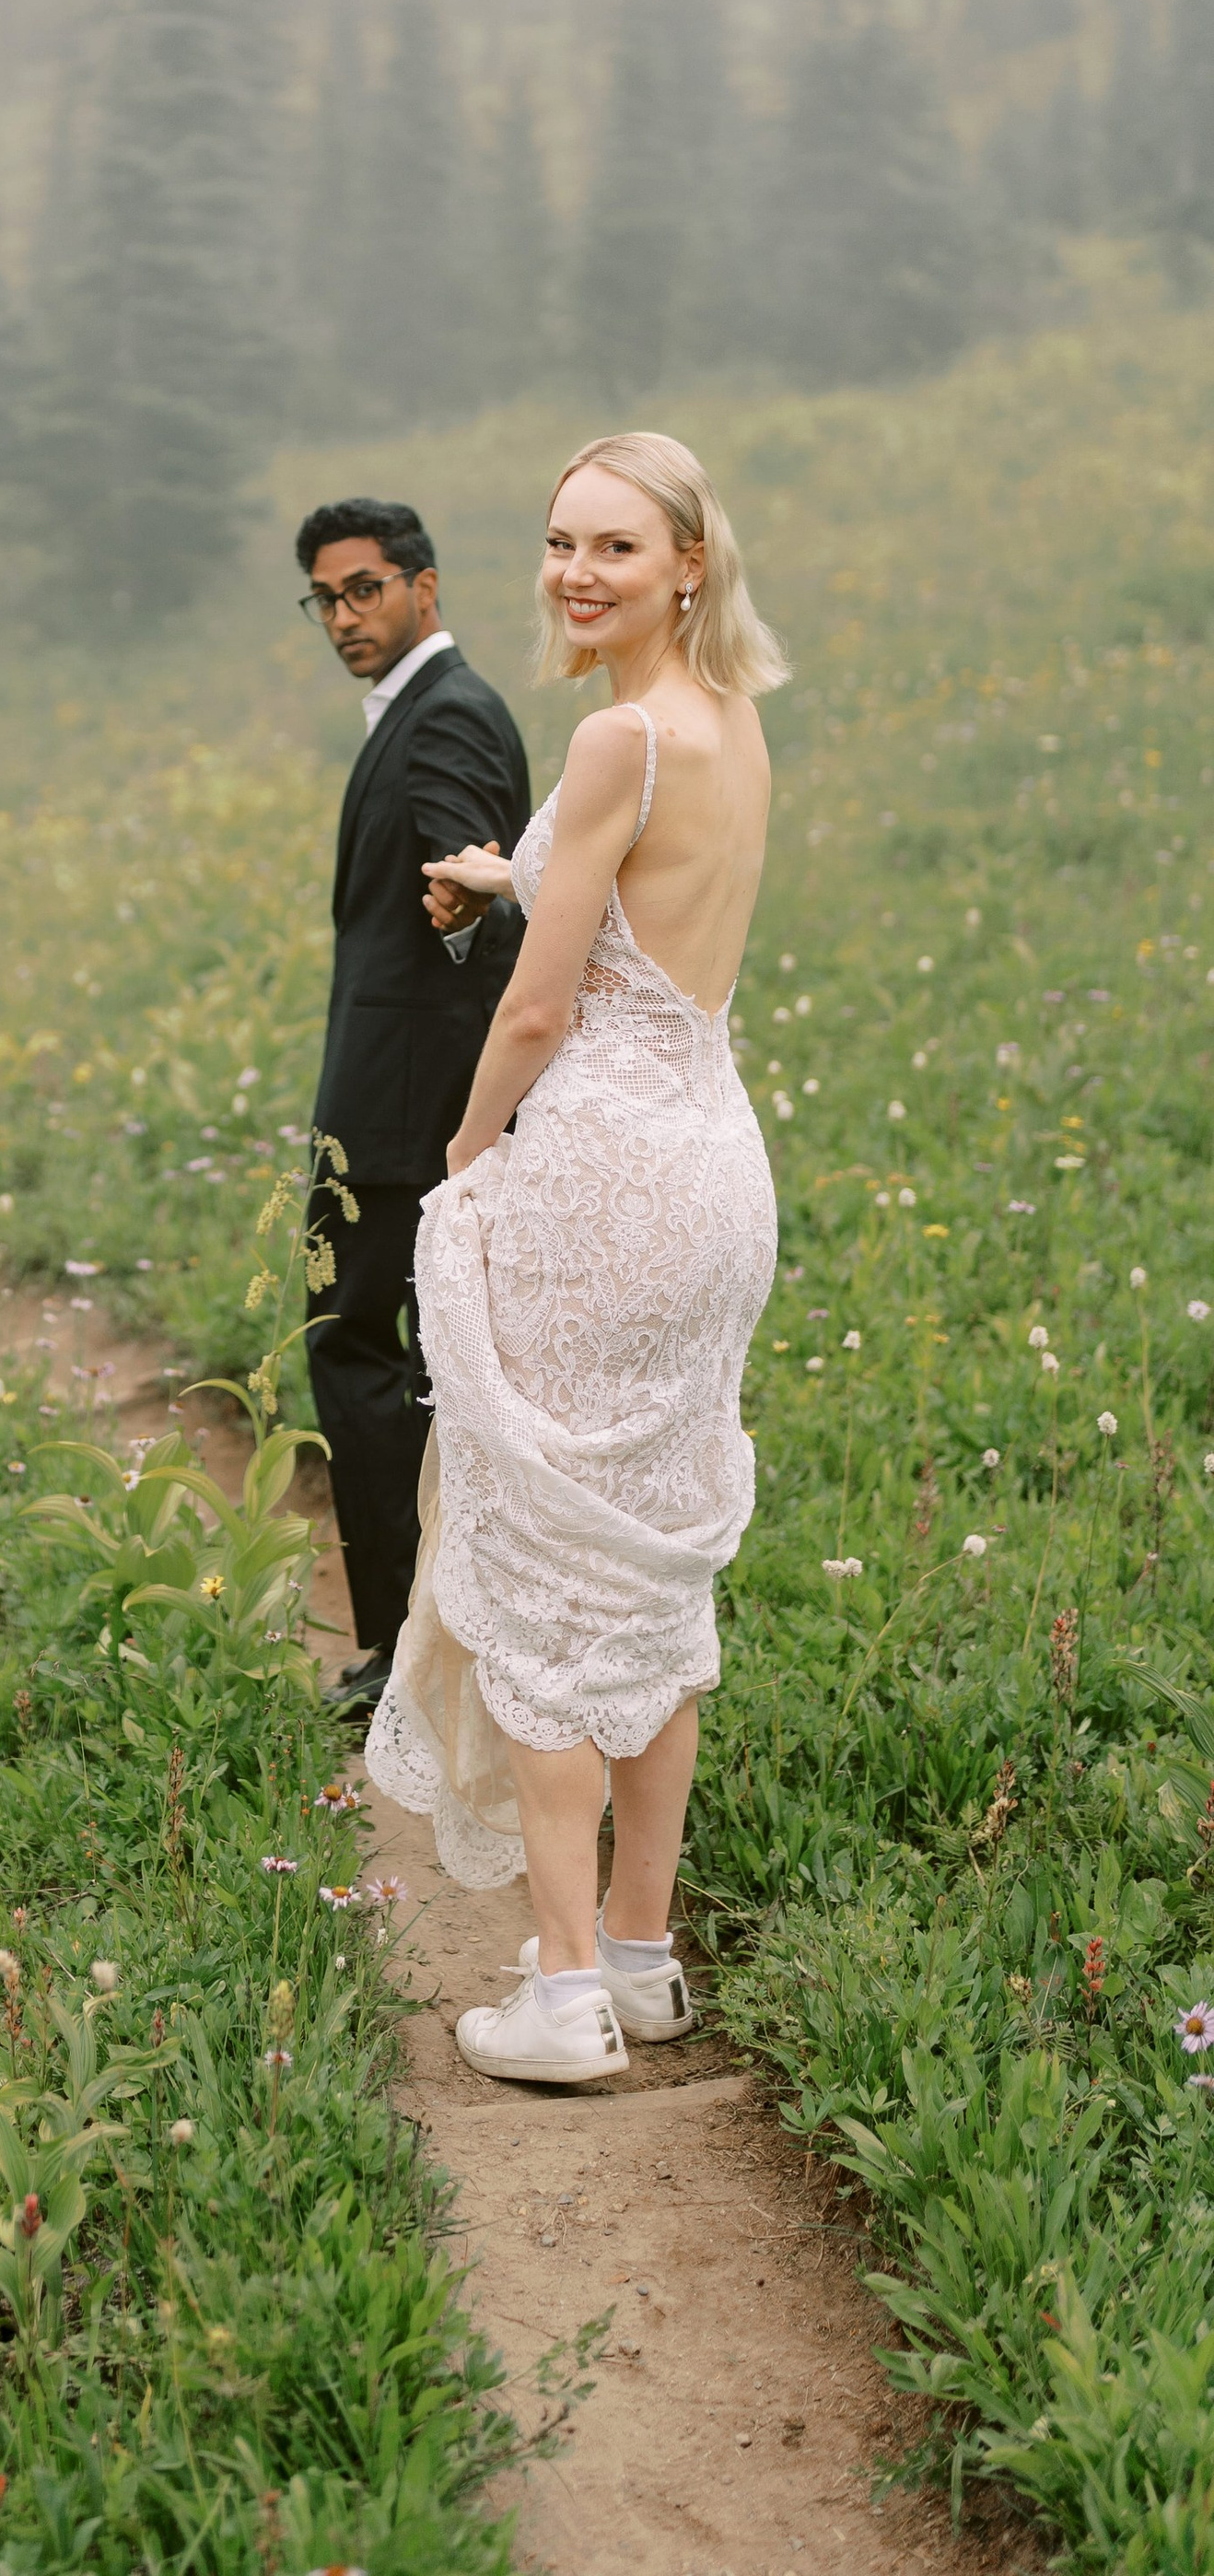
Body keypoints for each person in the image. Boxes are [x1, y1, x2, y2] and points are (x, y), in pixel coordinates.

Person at [365, 430, 788, 2085]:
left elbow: (542, 1005)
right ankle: (641, 1952)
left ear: (689, 561)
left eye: (615, 547)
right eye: (558, 543)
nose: (575, 572)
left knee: (543, 1551)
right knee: (652, 1553)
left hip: (600, 1173)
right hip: (713, 1176)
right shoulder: (727, 722)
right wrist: (507, 868)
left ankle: (555, 1997)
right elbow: (625, 900)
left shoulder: (617, 736)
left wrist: (467, 1162)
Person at [297, 498, 532, 1726]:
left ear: (425, 588)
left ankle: (405, 1649)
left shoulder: (447, 718)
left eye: (365, 589)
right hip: (402, 1110)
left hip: (410, 1122)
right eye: (326, 598)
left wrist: (465, 1130)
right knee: (421, 1371)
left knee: (361, 1352)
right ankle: (437, 1643)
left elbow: (479, 907)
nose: (345, 616)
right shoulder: (423, 711)